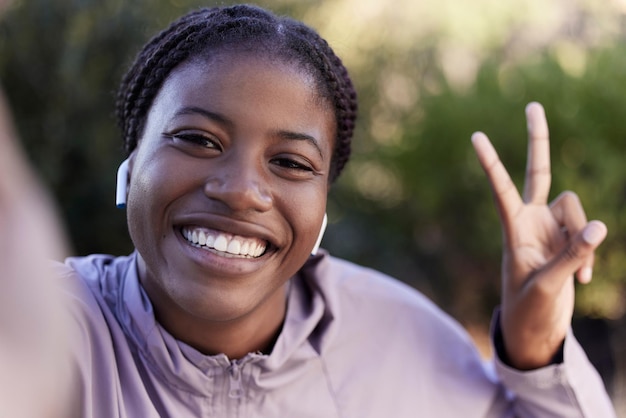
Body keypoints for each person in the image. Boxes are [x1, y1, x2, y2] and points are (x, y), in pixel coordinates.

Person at [0, 4, 616, 417]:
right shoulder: (49, 325)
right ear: (131, 166)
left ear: (322, 208)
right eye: (198, 139)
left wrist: (537, 348)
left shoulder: (398, 338)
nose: (241, 190)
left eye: (290, 164)